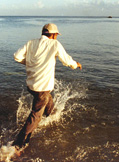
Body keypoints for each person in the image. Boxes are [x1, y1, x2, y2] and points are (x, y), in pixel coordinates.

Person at [12, 23, 82, 152]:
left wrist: (31, 64)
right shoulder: (54, 44)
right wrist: (76, 64)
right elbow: (67, 61)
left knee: (47, 100)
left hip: (31, 85)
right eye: (56, 35)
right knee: (35, 115)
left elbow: (16, 56)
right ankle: (18, 144)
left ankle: (49, 116)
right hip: (42, 87)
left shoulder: (31, 42)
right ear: (54, 35)